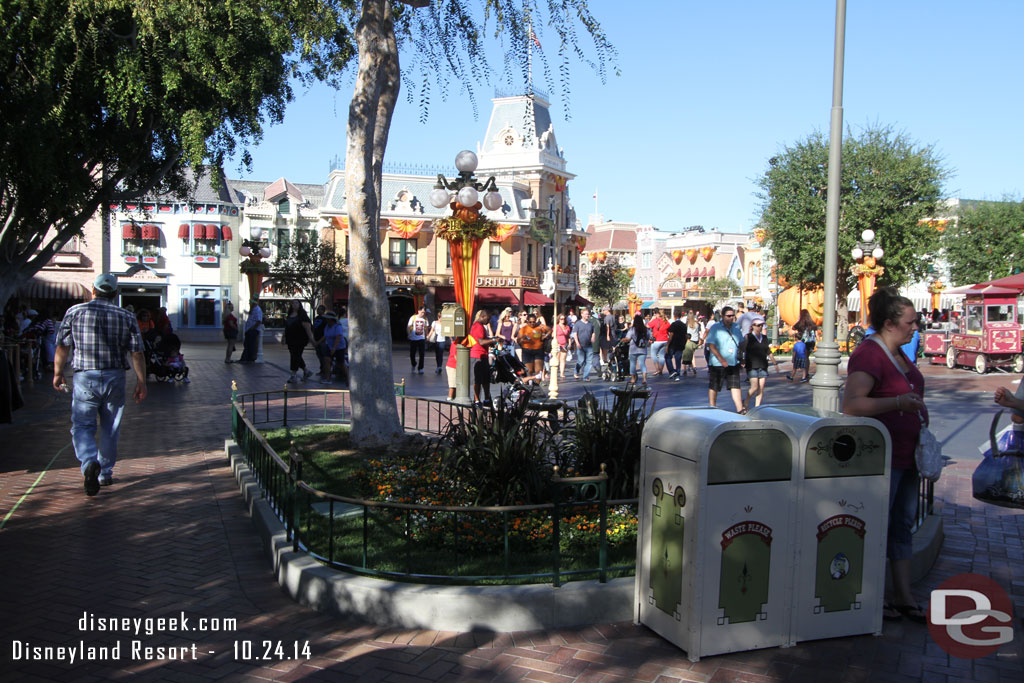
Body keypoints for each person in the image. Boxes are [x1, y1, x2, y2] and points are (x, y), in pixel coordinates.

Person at [842, 287, 928, 624]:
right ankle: (871, 596)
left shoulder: (900, 355)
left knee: (902, 525)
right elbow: (852, 404)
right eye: (911, 322)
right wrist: (897, 404)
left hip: (907, 456)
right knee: (877, 525)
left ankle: (903, 596)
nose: (915, 327)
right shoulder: (869, 355)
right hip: (881, 458)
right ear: (890, 323)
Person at [53, 273, 146, 496]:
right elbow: (137, 352)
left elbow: (62, 346)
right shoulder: (126, 316)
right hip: (115, 376)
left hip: (85, 375)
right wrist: (141, 381)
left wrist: (57, 373)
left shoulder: (74, 312)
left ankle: (88, 463)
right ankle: (104, 472)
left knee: (83, 425)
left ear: (93, 290)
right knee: (110, 427)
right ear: (115, 293)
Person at [705, 305, 744, 413]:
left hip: (733, 361)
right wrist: (721, 359)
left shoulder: (736, 327)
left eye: (732, 315)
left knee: (735, 385)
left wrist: (743, 357)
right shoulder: (715, 327)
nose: (731, 318)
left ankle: (740, 409)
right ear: (722, 316)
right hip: (718, 363)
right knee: (714, 386)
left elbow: (741, 343)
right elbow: (711, 345)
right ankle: (712, 407)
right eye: (728, 316)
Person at [744, 316, 780, 411]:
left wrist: (774, 362)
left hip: (763, 364)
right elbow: (743, 348)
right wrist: (741, 360)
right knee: (754, 387)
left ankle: (757, 407)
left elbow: (767, 350)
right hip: (752, 365)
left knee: (761, 388)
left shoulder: (764, 338)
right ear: (753, 326)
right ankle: (746, 401)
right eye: (758, 325)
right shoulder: (748, 337)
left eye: (762, 325)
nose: (760, 327)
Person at [283, 300, 317, 383]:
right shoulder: (289, 315)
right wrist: (283, 337)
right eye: (293, 303)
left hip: (300, 340)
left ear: (299, 305)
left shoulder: (302, 316)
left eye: (296, 303)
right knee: (296, 356)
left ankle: (293, 374)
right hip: (290, 339)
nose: (294, 304)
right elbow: (286, 327)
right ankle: (306, 371)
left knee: (295, 356)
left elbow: (308, 329)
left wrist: (312, 341)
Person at [516, 312, 550, 386]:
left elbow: (550, 330)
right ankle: (529, 385)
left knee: (539, 371)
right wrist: (522, 339)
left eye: (533, 322)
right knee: (529, 370)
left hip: (538, 350)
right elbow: (518, 340)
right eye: (530, 322)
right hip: (527, 351)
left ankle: (536, 386)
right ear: (527, 321)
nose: (532, 323)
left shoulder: (540, 327)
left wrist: (545, 336)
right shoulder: (523, 329)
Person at [469, 310, 495, 405]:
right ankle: (477, 399)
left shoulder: (480, 326)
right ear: (483, 316)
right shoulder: (478, 326)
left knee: (485, 379)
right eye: (488, 318)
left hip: (483, 354)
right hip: (477, 355)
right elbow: (480, 341)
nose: (489, 321)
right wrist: (493, 340)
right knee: (477, 379)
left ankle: (487, 398)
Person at [321, 311, 348, 385]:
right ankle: (328, 378)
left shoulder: (337, 326)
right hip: (329, 346)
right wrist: (318, 342)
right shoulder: (327, 326)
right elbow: (325, 336)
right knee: (326, 360)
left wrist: (334, 348)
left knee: (341, 363)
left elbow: (338, 337)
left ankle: (348, 377)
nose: (326, 320)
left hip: (339, 347)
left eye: (328, 319)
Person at [625, 313, 651, 385]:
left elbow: (628, 338)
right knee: (642, 364)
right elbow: (649, 337)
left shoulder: (632, 329)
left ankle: (633, 379)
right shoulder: (645, 329)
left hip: (633, 349)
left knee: (633, 364)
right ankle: (644, 379)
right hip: (643, 349)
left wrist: (622, 340)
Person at [572, 308, 596, 382]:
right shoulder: (578, 324)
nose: (587, 315)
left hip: (589, 346)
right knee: (581, 361)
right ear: (582, 314)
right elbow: (575, 334)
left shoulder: (590, 324)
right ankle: (576, 371)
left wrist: (593, 337)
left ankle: (586, 376)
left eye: (588, 314)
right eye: (585, 314)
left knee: (589, 361)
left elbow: (593, 332)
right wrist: (577, 343)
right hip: (581, 345)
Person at [647, 309, 670, 376]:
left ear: (658, 314)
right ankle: (661, 370)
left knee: (653, 355)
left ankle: (657, 369)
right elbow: (669, 329)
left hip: (657, 340)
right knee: (661, 356)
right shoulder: (666, 321)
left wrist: (652, 319)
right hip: (665, 340)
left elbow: (647, 325)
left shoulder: (655, 321)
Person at [665, 312, 687, 379]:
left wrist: (667, 345)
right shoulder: (684, 325)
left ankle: (672, 371)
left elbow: (671, 335)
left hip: (673, 344)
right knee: (678, 359)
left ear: (674, 316)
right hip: (680, 344)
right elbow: (685, 335)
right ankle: (678, 374)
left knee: (668, 357)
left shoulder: (674, 324)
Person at [680, 311, 702, 378]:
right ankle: (694, 366)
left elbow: (684, 332)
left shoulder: (687, 324)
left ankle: (686, 368)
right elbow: (699, 331)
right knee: (692, 354)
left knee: (686, 353)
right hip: (695, 340)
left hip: (688, 339)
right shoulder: (697, 324)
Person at [407, 306, 428, 374]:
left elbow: (426, 328)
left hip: (421, 338)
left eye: (424, 312)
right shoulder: (413, 318)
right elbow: (408, 326)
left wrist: (427, 336)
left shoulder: (425, 319)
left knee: (422, 354)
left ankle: (421, 368)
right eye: (422, 312)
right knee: (412, 354)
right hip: (413, 338)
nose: (423, 314)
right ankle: (413, 364)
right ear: (418, 311)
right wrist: (408, 334)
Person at [554, 314, 571, 379]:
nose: (562, 320)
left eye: (564, 319)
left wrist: (569, 343)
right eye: (561, 319)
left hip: (565, 344)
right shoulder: (556, 327)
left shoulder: (567, 327)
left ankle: (562, 373)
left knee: (563, 359)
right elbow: (553, 335)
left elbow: (568, 336)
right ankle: (555, 372)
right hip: (558, 345)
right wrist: (556, 343)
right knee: (557, 359)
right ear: (558, 319)